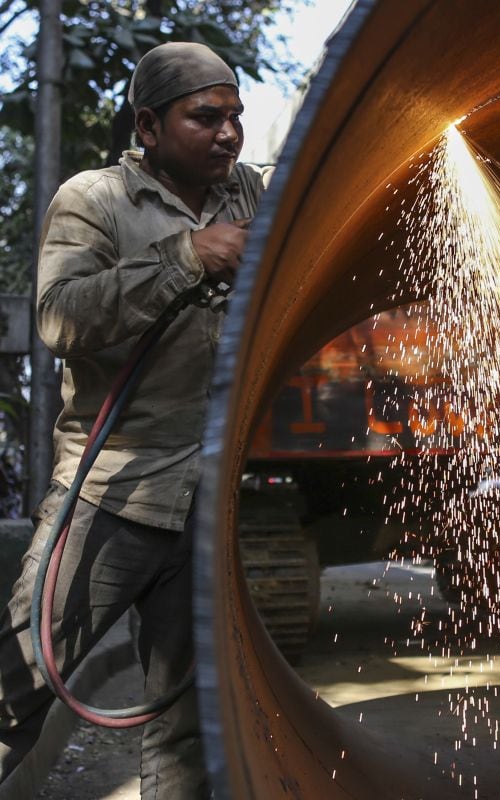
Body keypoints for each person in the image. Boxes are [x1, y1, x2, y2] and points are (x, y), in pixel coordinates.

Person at [0, 42, 270, 798]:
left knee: (188, 728)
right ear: (148, 127)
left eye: (236, 117)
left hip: (204, 503)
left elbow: (316, 185)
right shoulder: (94, 200)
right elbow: (59, 317)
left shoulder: (248, 193)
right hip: (111, 496)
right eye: (205, 118)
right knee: (16, 690)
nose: (228, 133)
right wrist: (187, 257)